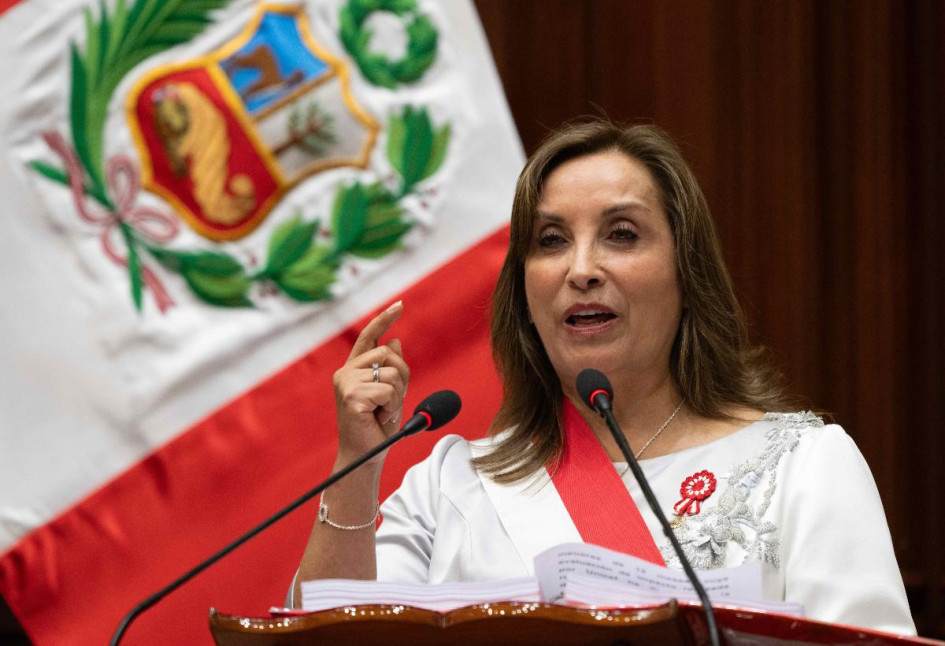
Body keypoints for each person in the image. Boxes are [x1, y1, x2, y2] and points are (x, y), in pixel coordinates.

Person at [292, 119, 915, 635]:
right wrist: (358, 466)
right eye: (551, 240)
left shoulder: (803, 466)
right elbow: (335, 638)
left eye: (621, 234)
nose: (581, 268)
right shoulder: (451, 486)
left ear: (687, 272)